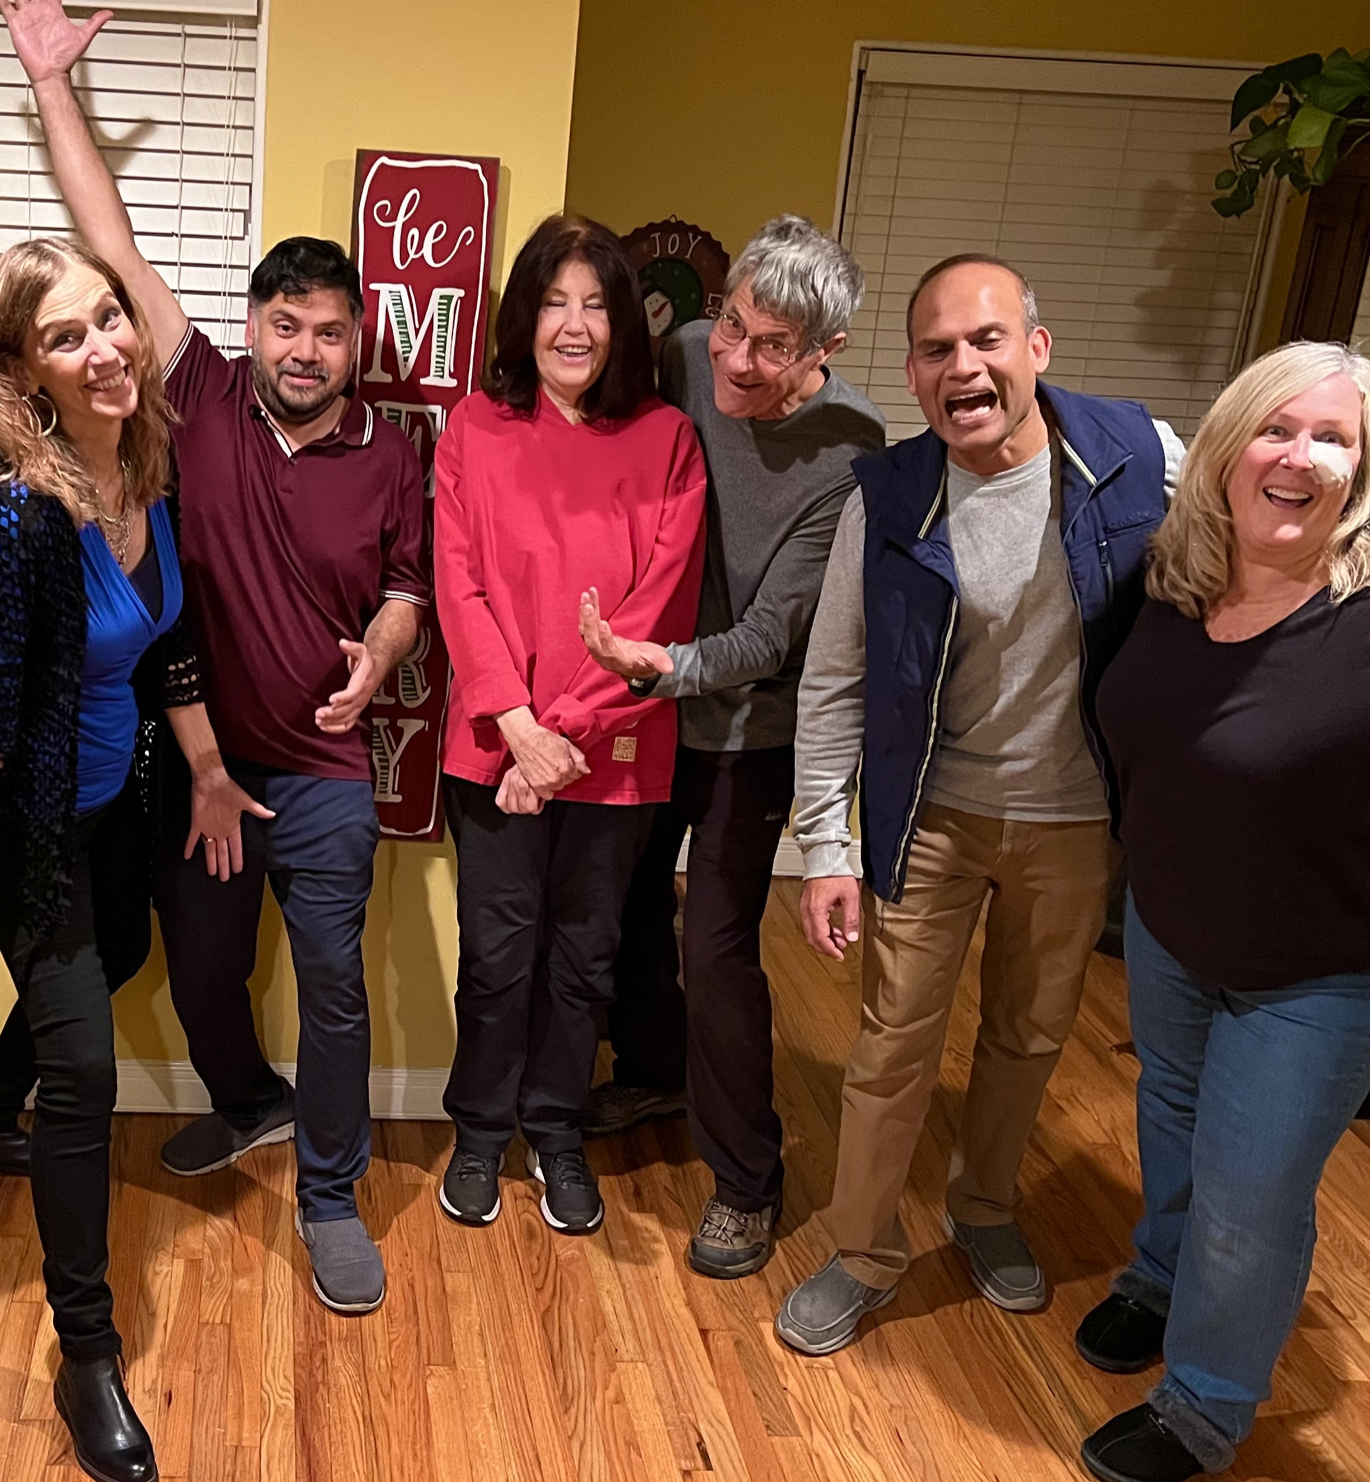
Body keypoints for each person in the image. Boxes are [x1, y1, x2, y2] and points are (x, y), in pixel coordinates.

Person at [0, 0, 429, 1318]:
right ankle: (247, 1099)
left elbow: (409, 590)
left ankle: (331, 1195)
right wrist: (53, 87)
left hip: (327, 771)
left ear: (357, 342)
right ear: (254, 328)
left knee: (336, 981)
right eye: (285, 325)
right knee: (195, 969)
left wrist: (384, 651)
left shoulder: (393, 452)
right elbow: (110, 239)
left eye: (329, 331)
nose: (306, 350)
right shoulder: (205, 394)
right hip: (205, 769)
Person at [1074, 341, 1370, 1482]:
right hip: (1177, 921)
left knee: (1252, 1186)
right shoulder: (1178, 573)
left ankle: (1205, 1404)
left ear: (1365, 468)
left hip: (1331, 960)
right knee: (1173, 1115)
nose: (1297, 455)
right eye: (1274, 428)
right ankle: (1160, 1275)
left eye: (1331, 437)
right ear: (1228, 449)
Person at [776, 254, 1186, 1353]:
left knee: (1028, 1033)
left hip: (1077, 818)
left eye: (986, 339)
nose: (963, 366)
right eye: (936, 349)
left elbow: (1257, 548)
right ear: (912, 374)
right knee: (890, 1044)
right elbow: (835, 679)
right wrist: (826, 847)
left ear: (1035, 349)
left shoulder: (1140, 458)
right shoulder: (885, 496)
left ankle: (985, 1205)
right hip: (932, 813)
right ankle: (863, 1251)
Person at [0, 231, 205, 1482]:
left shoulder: (147, 460)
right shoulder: (12, 511)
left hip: (115, 799)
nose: (104, 347)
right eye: (65, 336)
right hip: (29, 825)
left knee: (123, 950)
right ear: (24, 371)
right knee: (85, 1071)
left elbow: (168, 639)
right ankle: (87, 1353)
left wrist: (210, 767)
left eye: (108, 316)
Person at [577, 215, 887, 1279]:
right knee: (623, 901)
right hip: (648, 704)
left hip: (752, 727)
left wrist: (654, 662)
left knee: (713, 946)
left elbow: (768, 637)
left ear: (824, 351)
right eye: (734, 327)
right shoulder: (681, 356)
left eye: (772, 348)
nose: (738, 361)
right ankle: (657, 1070)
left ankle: (748, 1180)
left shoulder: (853, 451)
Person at [434, 214, 708, 1235]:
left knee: (586, 955)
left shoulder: (668, 440)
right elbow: (458, 583)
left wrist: (562, 739)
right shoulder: (474, 429)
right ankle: (478, 1128)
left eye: (596, 303)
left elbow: (662, 608)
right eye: (555, 302)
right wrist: (520, 727)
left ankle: (555, 1127)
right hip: (495, 746)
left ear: (625, 322)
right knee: (495, 954)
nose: (576, 325)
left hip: (614, 752)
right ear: (525, 317)